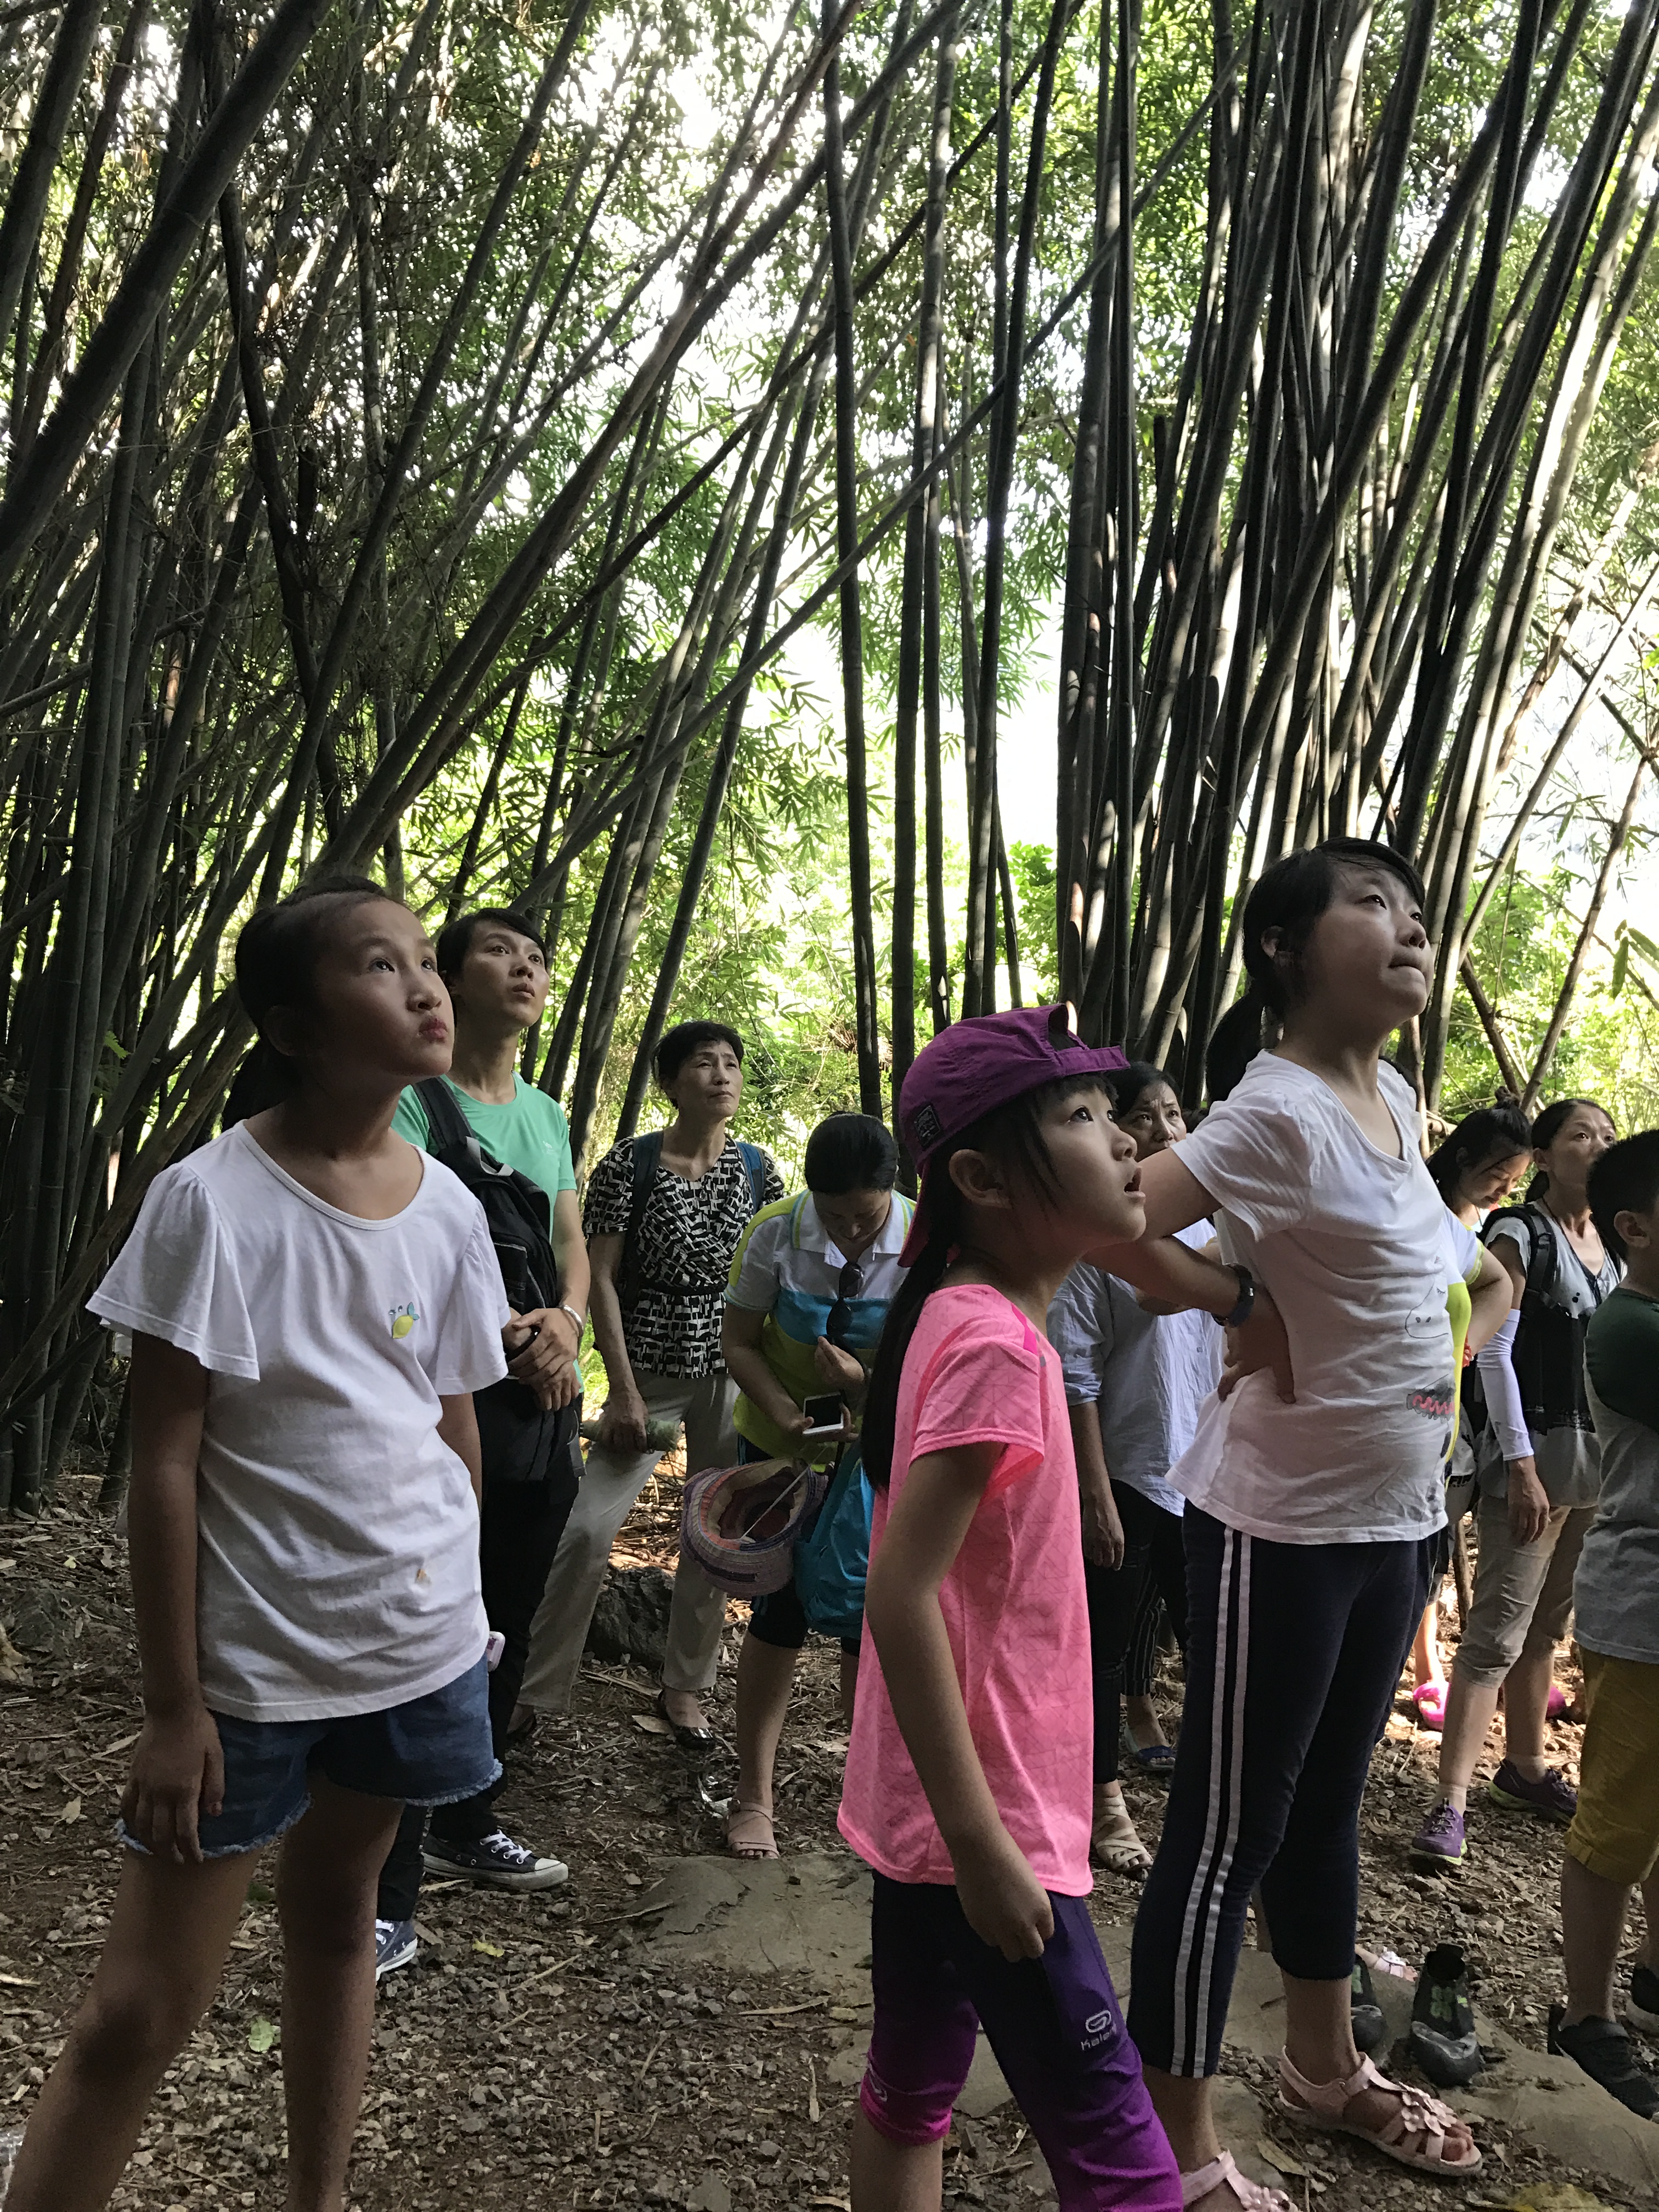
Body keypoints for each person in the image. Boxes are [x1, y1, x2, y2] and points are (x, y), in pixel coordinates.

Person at [5, 879, 510, 2212]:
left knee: (342, 1919)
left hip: (413, 1641)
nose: (424, 984)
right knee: (140, 2008)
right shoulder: (210, 1201)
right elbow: (165, 1463)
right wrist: (174, 1708)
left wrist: (466, 1614)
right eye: (378, 965)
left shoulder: (451, 1208)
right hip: (253, 1674)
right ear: (292, 1026)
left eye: (424, 958)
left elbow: (452, 1426)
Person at [840, 1004, 1265, 2212]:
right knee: (1122, 2160)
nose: (1127, 1138)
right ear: (981, 1179)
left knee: (910, 2089)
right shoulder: (997, 1345)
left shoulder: (962, 1308)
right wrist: (984, 1847)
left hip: (936, 1806)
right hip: (988, 1817)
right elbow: (900, 1592)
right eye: (1082, 1116)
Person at [1118, 839, 1482, 2209]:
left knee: (1326, 1806)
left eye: (1417, 909)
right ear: (1282, 946)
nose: (1411, 929)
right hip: (1281, 1528)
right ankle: (1171, 2149)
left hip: (1394, 1520)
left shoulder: (1390, 1094)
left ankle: (1325, 2071)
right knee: (1227, 1834)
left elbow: (1430, 1279)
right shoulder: (1272, 1109)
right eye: (1373, 905)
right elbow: (1112, 1223)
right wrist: (1232, 1306)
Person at [374, 909, 591, 1975]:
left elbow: (568, 1243)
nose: (526, 968)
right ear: (451, 977)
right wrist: (508, 1336)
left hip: (539, 1400)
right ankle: (388, 1869)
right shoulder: (412, 1102)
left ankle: (469, 1813)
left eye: (538, 957)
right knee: (434, 1614)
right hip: (445, 1391)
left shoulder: (545, 1113)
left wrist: (568, 1323)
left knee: (507, 1606)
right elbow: (406, 1244)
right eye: (501, 951)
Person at [515, 1020, 782, 1738]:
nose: (722, 1075)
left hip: (732, 1367)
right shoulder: (629, 1165)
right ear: (669, 1082)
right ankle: (536, 1687)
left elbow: (770, 1278)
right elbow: (600, 1277)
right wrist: (624, 1389)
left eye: (731, 1063)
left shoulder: (758, 1170)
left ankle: (685, 1686)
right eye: (704, 1063)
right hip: (650, 1365)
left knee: (715, 1534)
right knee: (587, 1528)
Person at [1410, 1096, 1619, 1869]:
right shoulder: (1521, 1231)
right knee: (1495, 1634)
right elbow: (1493, 1351)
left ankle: (1525, 1768)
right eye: (1579, 1134)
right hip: (1531, 1461)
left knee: (1547, 1629)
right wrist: (1522, 1465)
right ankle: (1449, 1801)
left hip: (1596, 1466)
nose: (1597, 1145)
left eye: (1607, 1134)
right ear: (1546, 1153)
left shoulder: (1617, 1241)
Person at [720, 1112, 911, 1859]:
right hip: (781, 1451)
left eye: (865, 1217)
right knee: (779, 1614)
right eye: (833, 1217)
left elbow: (933, 1359)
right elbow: (740, 1341)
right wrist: (783, 1414)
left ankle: (871, 1798)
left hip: (879, 1450)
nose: (849, 1232)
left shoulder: (926, 1241)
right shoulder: (774, 1232)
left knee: (875, 1617)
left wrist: (864, 1388)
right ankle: (754, 1798)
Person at [1048, 1062, 1221, 1878]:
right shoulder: (1099, 1240)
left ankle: (1212, 1807)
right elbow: (1075, 1372)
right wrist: (1094, 1492)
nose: (1160, 1131)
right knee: (1105, 1649)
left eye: (1173, 1114)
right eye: (1141, 1117)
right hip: (1126, 1469)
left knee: (1214, 1649)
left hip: (1208, 1471)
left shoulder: (1216, 1226)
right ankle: (1103, 1800)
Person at [1549, 1130, 1659, 2115]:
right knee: (1616, 1823)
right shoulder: (1628, 1327)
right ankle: (1587, 2017)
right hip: (1642, 1615)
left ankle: (1653, 1975)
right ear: (1634, 1226)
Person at [1409, 1102, 1532, 1728]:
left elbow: (1495, 1302)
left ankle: (1430, 1663)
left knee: (1435, 1539)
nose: (1502, 1191)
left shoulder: (1487, 1228)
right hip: (1414, 1406)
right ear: (1462, 1159)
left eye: (1513, 1182)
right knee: (1417, 1542)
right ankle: (1424, 1665)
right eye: (1495, 1176)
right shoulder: (1419, 1213)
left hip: (1460, 1415)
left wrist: (1469, 1345)